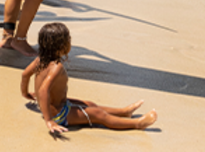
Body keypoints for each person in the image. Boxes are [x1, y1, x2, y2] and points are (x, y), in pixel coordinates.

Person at [20, 23, 158, 133]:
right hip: (58, 114)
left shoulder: (40, 60)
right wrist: (49, 120)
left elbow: (25, 75)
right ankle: (137, 123)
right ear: (62, 46)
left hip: (56, 105)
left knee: (90, 105)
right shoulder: (56, 66)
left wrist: (25, 93)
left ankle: (123, 112)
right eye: (69, 40)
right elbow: (44, 89)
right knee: (98, 114)